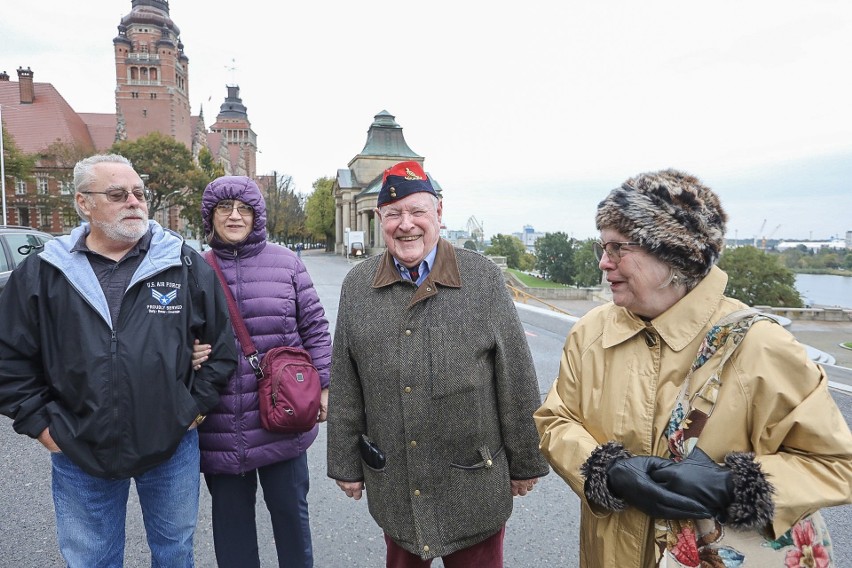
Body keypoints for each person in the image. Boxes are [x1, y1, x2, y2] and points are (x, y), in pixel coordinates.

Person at [534, 169, 852, 567]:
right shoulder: (590, 332)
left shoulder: (761, 345)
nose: (603, 262)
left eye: (618, 249)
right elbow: (555, 419)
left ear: (673, 255)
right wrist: (604, 470)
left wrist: (734, 487)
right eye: (603, 247)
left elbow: (835, 463)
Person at [0, 153, 238, 567]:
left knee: (175, 552)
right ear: (83, 203)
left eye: (138, 192)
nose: (134, 201)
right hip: (79, 445)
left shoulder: (182, 263)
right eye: (117, 193)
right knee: (91, 559)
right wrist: (38, 423)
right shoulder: (44, 271)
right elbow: (9, 355)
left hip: (170, 443)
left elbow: (221, 347)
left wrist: (192, 408)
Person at [326, 160, 549, 568]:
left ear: (439, 214)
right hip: (397, 486)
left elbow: (515, 375)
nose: (405, 224)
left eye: (417, 212)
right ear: (380, 218)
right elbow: (345, 381)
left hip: (473, 483)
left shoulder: (480, 278)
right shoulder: (357, 286)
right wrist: (344, 462)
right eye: (393, 214)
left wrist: (526, 461)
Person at [190, 175, 332, 568]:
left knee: (291, 522)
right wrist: (184, 353)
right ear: (210, 216)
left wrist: (325, 386)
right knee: (232, 531)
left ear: (257, 216)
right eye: (224, 208)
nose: (234, 216)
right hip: (220, 425)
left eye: (244, 208)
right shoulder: (195, 268)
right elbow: (172, 332)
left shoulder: (286, 263)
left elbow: (316, 328)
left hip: (282, 417)